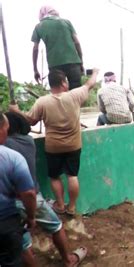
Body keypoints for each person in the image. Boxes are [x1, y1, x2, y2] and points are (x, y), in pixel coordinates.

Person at [10, 68, 99, 216]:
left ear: (51, 85)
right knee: (72, 176)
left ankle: (60, 205)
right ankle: (71, 207)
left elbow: (30, 121)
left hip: (53, 147)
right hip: (73, 145)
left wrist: (16, 111)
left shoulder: (42, 102)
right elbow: (90, 84)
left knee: (55, 176)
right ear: (64, 83)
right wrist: (95, 72)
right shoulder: (75, 95)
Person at [4, 112, 87, 267]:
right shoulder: (28, 141)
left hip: (8, 204)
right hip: (31, 198)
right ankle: (68, 260)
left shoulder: (5, 146)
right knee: (56, 226)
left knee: (23, 242)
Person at [0, 112, 37, 267]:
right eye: (6, 129)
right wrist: (31, 217)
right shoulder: (12, 157)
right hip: (5, 223)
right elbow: (28, 193)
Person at [32, 6, 84, 89]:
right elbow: (77, 42)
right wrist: (81, 62)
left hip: (55, 65)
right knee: (76, 93)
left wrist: (35, 69)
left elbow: (35, 49)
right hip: (73, 62)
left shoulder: (39, 26)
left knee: (58, 93)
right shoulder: (66, 22)